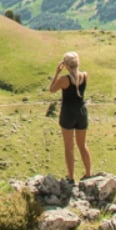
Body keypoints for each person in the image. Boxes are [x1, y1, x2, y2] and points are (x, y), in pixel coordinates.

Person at [49, 51, 91, 181]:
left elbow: (51, 89)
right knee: (82, 144)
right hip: (81, 112)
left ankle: (71, 176)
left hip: (68, 113)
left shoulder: (64, 80)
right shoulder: (84, 75)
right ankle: (88, 173)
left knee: (69, 146)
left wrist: (57, 73)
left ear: (66, 65)